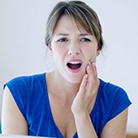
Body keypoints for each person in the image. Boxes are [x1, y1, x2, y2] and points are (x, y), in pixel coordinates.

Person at [1, 1, 131, 138]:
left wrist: (81, 114)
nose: (74, 50)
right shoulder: (19, 92)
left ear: (98, 48)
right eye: (63, 39)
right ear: (50, 47)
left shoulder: (116, 100)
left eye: (85, 39)